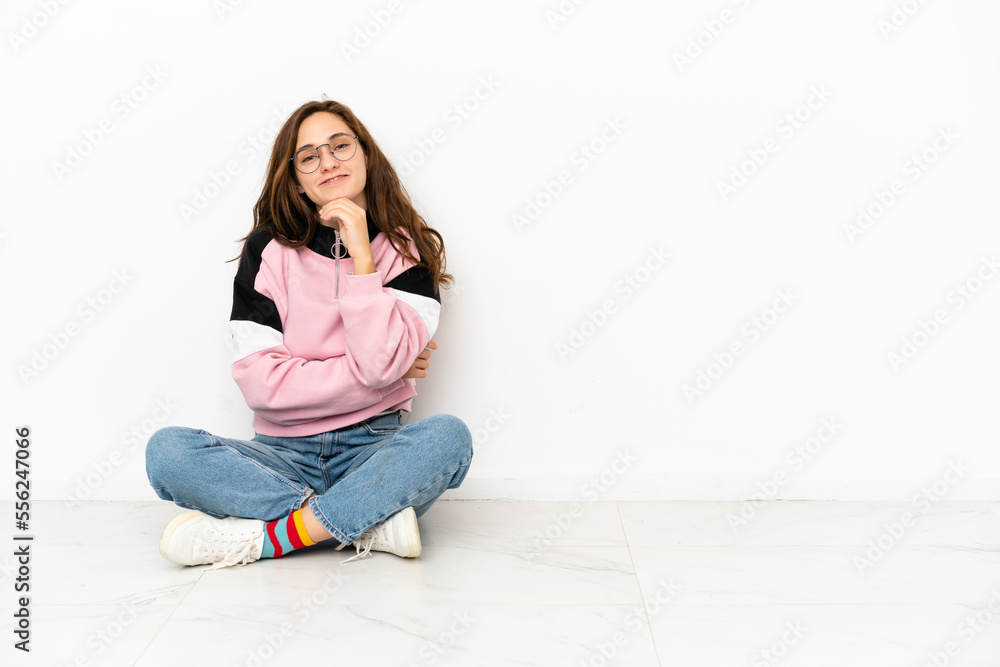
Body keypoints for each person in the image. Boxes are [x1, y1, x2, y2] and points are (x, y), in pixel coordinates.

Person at [144, 97, 474, 569]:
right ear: (296, 177)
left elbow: (379, 362)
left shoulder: (408, 250)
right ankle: (365, 519)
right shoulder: (267, 250)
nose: (328, 162)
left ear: (365, 155)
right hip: (279, 457)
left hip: (375, 450)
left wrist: (363, 252)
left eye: (340, 146)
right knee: (169, 452)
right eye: (309, 156)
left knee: (447, 438)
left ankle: (268, 539)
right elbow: (264, 387)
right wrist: (379, 376)